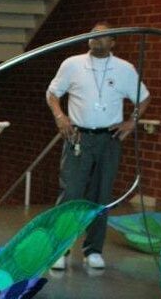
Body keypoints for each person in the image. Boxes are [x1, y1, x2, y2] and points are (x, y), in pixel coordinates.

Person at [46, 22, 151, 270]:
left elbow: (144, 97)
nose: (96, 39)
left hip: (109, 139)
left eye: (103, 36)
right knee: (71, 193)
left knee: (101, 195)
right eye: (93, 35)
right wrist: (60, 116)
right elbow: (52, 93)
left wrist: (132, 122)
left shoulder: (125, 69)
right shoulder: (72, 64)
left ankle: (93, 250)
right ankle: (60, 249)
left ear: (113, 42)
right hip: (78, 137)